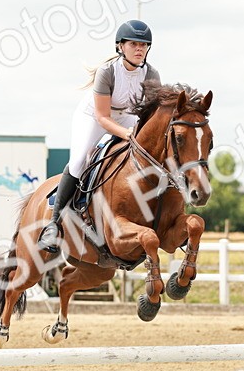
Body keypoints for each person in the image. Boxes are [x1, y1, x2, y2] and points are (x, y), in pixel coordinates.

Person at [38, 19, 161, 252]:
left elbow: (151, 114)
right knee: (79, 160)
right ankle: (53, 225)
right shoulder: (108, 72)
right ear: (120, 47)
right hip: (93, 116)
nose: (139, 49)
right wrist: (128, 134)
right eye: (133, 44)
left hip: (127, 116)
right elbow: (103, 117)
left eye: (144, 45)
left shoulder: (151, 73)